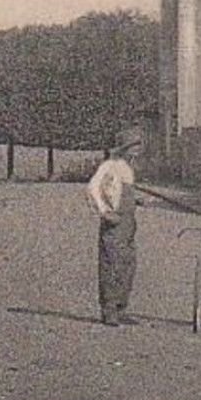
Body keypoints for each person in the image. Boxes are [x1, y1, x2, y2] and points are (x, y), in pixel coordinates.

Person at [86, 126, 144, 326]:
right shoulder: (110, 165)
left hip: (129, 222)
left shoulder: (129, 167)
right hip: (115, 222)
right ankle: (108, 310)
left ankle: (121, 308)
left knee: (128, 264)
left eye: (138, 145)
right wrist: (104, 211)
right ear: (123, 148)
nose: (137, 149)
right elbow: (93, 188)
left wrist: (135, 200)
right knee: (112, 265)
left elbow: (119, 192)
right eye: (133, 146)